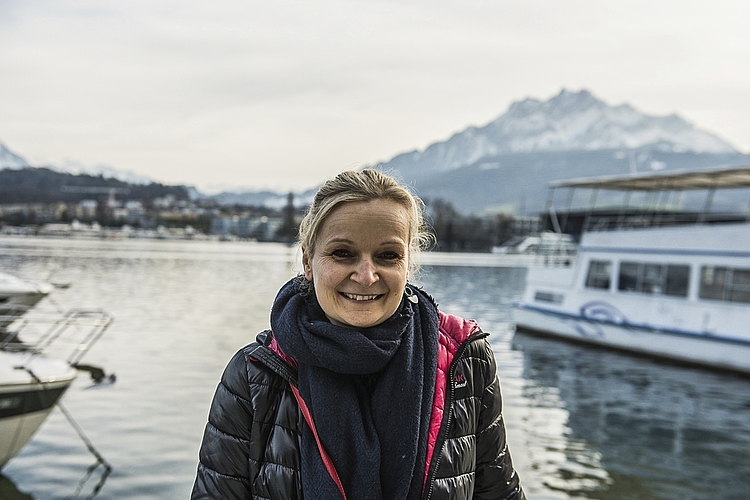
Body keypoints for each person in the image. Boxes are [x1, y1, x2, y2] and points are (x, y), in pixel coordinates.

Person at [191, 169, 525, 500]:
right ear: (308, 261)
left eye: (387, 256)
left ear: (408, 264)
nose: (366, 276)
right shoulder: (255, 374)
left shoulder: (464, 362)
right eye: (342, 253)